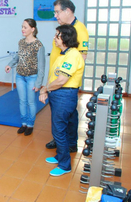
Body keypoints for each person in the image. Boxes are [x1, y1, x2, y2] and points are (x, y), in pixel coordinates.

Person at [39, 24, 84, 177]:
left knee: (58, 130)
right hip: (58, 95)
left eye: (57, 35)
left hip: (64, 95)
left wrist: (46, 89)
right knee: (66, 126)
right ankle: (60, 155)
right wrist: (48, 89)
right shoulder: (62, 54)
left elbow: (61, 80)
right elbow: (55, 77)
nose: (54, 38)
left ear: (64, 38)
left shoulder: (72, 55)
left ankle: (65, 165)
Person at [46, 0, 89, 152]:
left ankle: (68, 143)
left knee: (66, 114)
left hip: (65, 82)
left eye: (58, 12)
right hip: (57, 78)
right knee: (63, 116)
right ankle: (63, 140)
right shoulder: (62, 29)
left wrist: (62, 81)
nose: (55, 16)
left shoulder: (79, 30)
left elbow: (81, 58)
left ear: (68, 11)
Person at [5, 18, 45, 136]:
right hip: (20, 76)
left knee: (31, 102)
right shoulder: (21, 42)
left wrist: (38, 83)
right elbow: (18, 56)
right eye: (22, 27)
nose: (22, 29)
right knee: (22, 101)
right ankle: (23, 123)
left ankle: (30, 125)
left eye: (25, 27)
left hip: (32, 77)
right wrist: (10, 65)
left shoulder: (39, 45)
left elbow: (42, 66)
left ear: (32, 29)